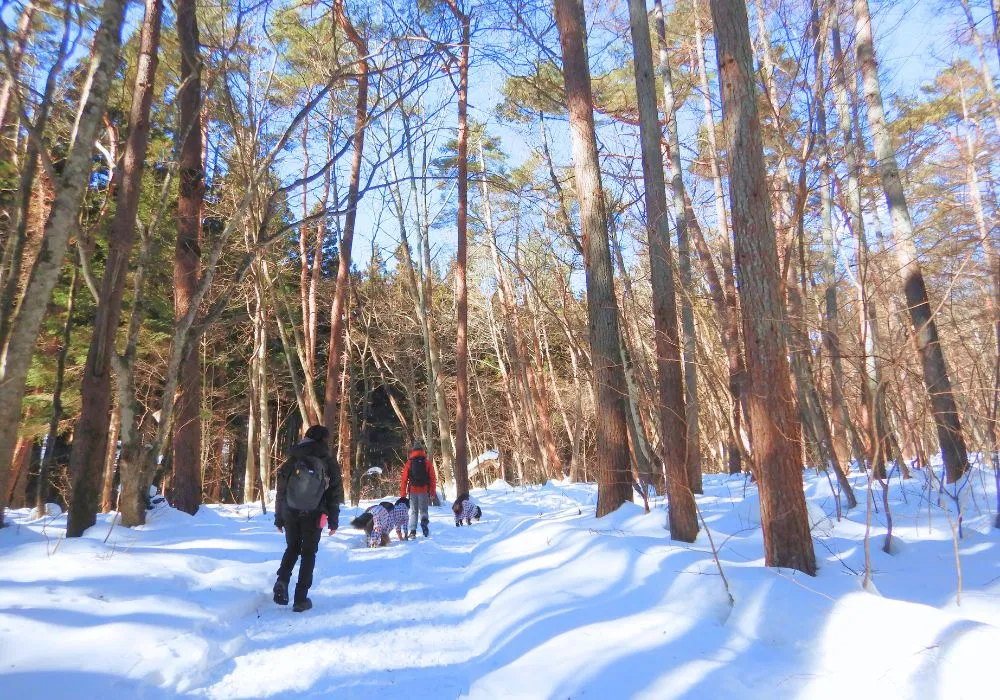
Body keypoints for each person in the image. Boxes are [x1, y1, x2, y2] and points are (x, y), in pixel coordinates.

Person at [273, 424, 343, 612]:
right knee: (308, 553)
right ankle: (300, 599)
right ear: (323, 440)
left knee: (292, 548)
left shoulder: (293, 458)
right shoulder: (328, 461)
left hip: (290, 510)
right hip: (315, 513)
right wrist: (333, 520)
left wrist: (279, 516)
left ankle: (282, 580)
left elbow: (281, 490)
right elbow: (334, 494)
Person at [399, 439, 435, 539]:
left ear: (413, 450)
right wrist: (432, 492)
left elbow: (404, 480)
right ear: (422, 450)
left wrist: (403, 494)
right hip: (424, 490)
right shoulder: (427, 463)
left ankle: (413, 532)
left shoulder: (409, 463)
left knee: (414, 511)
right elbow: (432, 478)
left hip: (413, 491)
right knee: (424, 510)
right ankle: (424, 523)